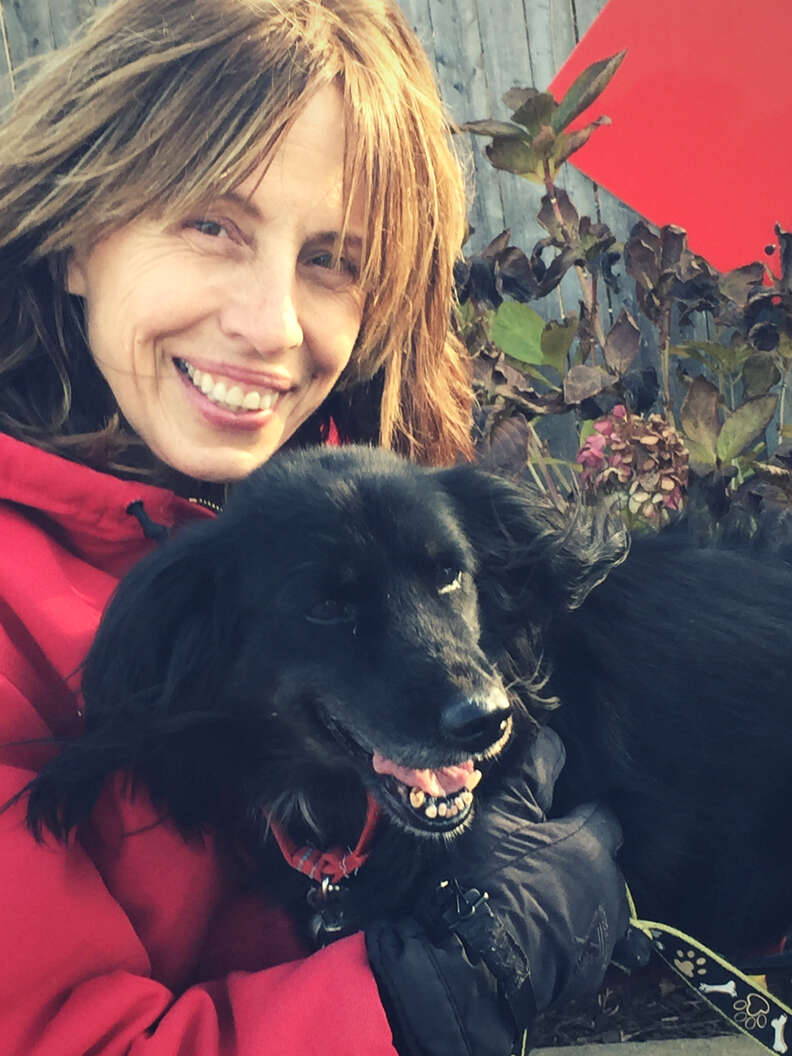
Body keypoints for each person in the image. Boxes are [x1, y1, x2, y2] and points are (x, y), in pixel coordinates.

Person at [0, 0, 629, 1053]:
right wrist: (420, 999)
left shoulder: (382, 501)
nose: (271, 328)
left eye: (333, 260)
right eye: (211, 225)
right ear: (74, 235)